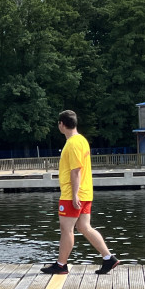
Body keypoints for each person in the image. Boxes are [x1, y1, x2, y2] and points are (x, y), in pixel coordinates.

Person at [40, 110, 120, 276]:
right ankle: (108, 258)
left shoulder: (73, 143)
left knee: (66, 228)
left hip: (72, 194)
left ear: (62, 124)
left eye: (58, 123)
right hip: (85, 192)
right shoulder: (82, 140)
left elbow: (76, 171)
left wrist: (74, 194)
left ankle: (61, 265)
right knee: (84, 226)